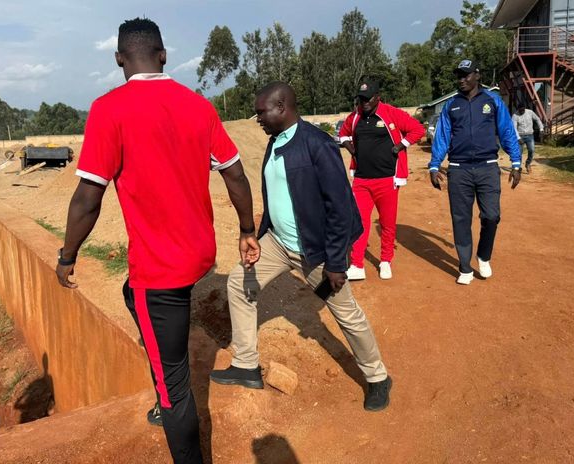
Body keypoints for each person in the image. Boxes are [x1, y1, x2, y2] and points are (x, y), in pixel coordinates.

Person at [55, 18, 258, 464]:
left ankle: (173, 412)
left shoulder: (109, 108)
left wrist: (67, 255)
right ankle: (163, 357)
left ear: (119, 61)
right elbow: (236, 174)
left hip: (160, 273)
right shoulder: (198, 105)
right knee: (132, 294)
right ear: (164, 56)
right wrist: (246, 229)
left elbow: (89, 198)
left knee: (175, 386)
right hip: (199, 255)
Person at [209, 82, 392, 412]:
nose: (257, 118)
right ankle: (247, 364)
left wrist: (337, 263)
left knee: (347, 315)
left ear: (281, 108)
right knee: (238, 283)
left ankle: (378, 377)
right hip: (279, 243)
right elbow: (276, 196)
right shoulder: (274, 142)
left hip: (317, 252)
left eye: (261, 111)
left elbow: (340, 208)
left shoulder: (318, 146)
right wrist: (257, 235)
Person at [429, 59, 522, 285]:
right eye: (459, 76)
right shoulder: (452, 105)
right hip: (458, 170)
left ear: (477, 76)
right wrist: (434, 164)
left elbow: (507, 131)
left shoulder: (493, 101)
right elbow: (442, 135)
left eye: (466, 75)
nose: (461, 80)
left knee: (492, 216)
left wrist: (516, 161)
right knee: (460, 219)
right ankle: (465, 267)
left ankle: (483, 255)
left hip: (487, 167)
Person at [339, 79, 425, 281]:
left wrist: (400, 146)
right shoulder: (355, 117)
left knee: (387, 222)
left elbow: (417, 130)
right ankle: (357, 264)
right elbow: (342, 135)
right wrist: (352, 150)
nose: (364, 103)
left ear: (378, 97)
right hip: (361, 180)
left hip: (387, 179)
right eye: (361, 99)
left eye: (368, 99)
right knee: (359, 222)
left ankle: (385, 260)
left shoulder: (391, 113)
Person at [512, 105, 544, 173]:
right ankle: (518, 167)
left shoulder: (530, 112)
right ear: (518, 110)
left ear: (525, 108)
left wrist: (541, 129)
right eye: (520, 111)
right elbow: (514, 128)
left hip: (530, 135)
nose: (522, 112)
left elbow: (537, 119)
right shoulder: (515, 116)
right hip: (520, 136)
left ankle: (528, 164)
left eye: (523, 110)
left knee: (531, 150)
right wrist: (518, 138)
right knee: (519, 153)